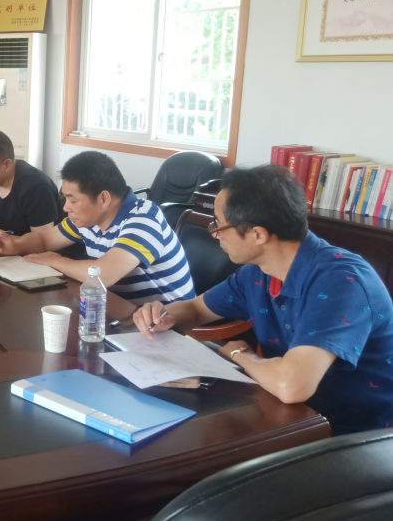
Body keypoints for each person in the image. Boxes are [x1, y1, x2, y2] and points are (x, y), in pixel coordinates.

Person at [133, 165, 393, 435]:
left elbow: (292, 387)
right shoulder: (257, 273)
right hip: (292, 416)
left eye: (219, 225)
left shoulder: (342, 282)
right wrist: (162, 316)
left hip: (358, 436)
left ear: (258, 234)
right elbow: (195, 309)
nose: (215, 233)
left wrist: (240, 354)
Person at [0, 150, 195, 305]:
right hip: (121, 313)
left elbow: (104, 274)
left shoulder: (144, 219)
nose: (65, 207)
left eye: (72, 200)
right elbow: (44, 239)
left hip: (169, 326)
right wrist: (16, 244)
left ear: (104, 198)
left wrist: (56, 260)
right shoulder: (87, 220)